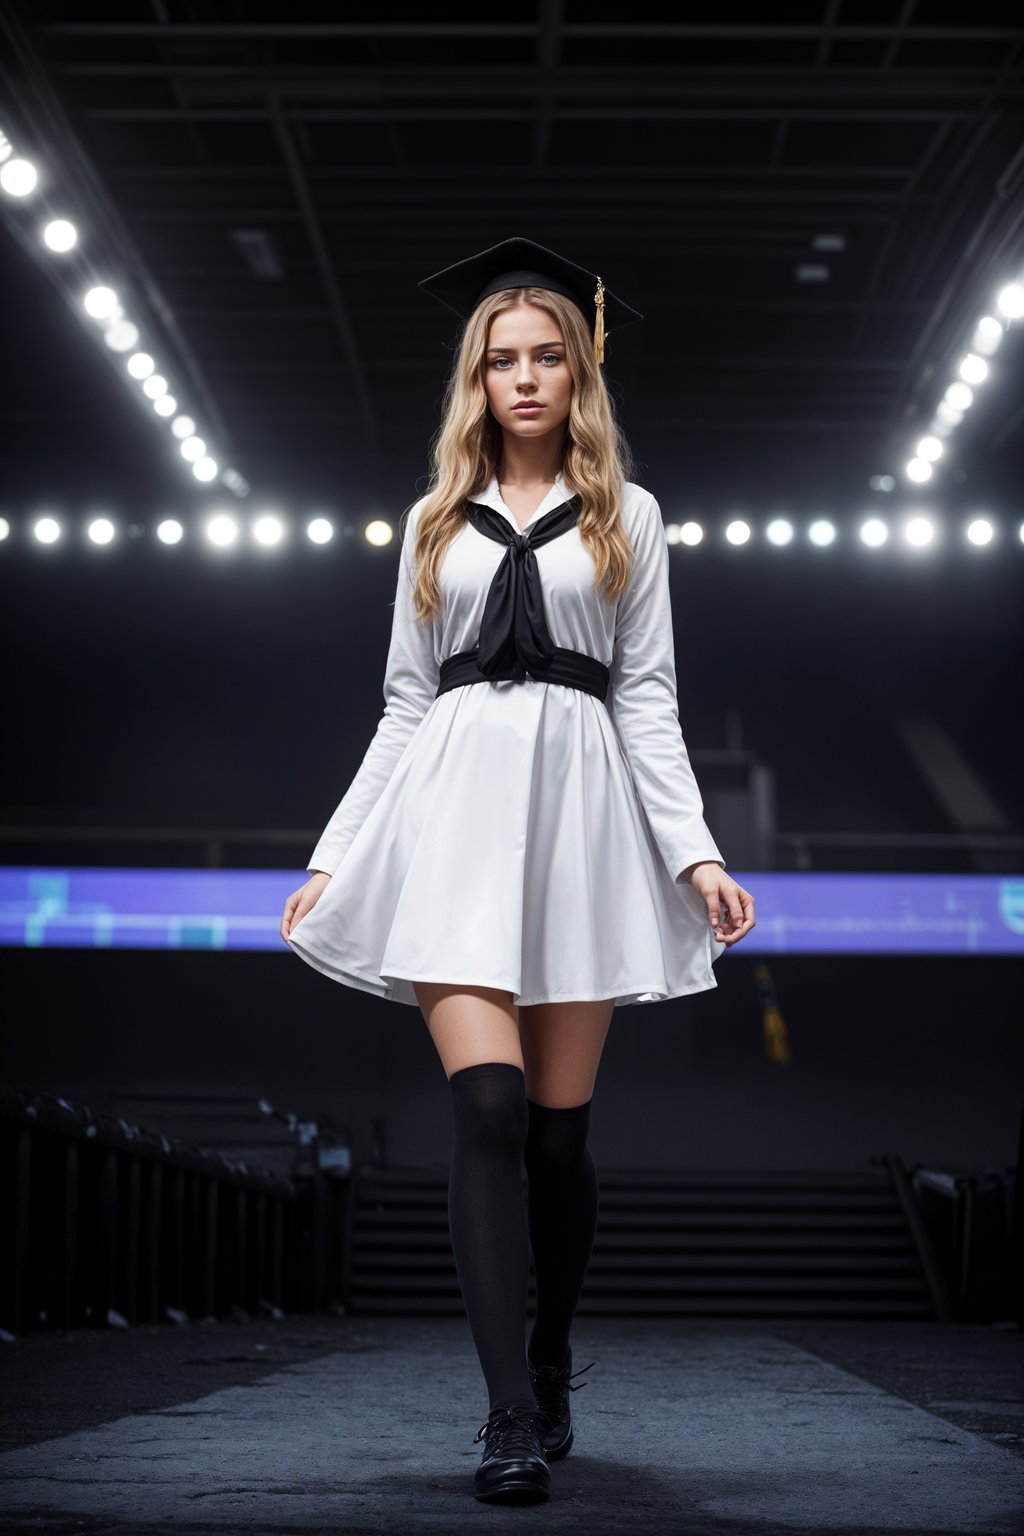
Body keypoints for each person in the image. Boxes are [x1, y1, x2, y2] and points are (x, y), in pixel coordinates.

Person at [281, 237, 756, 1504]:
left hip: (583, 824)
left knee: (555, 1141)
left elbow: (647, 699)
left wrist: (695, 854)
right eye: (503, 361)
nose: (527, 378)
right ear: (475, 380)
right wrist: (334, 858)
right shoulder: (434, 519)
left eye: (548, 355)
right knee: (485, 1112)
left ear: (581, 368)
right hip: (452, 816)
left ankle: (550, 1356)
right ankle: (504, 1416)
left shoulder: (631, 518)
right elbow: (398, 704)